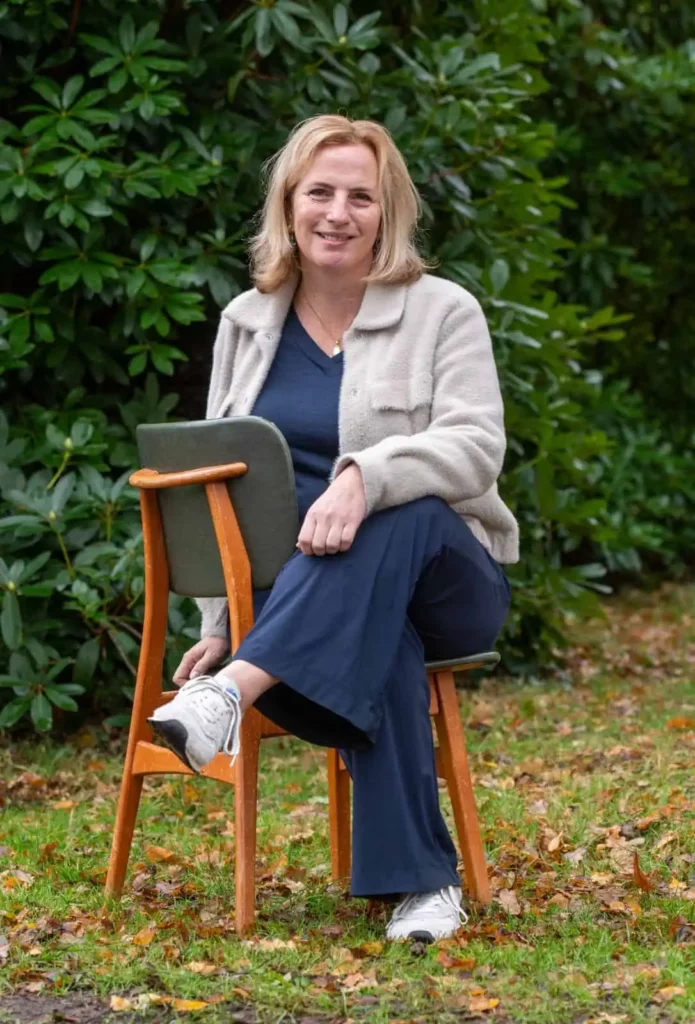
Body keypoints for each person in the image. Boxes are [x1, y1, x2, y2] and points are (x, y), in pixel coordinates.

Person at [149, 114, 518, 942]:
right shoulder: (247, 322)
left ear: (388, 214)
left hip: (449, 581)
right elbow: (218, 480)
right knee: (378, 636)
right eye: (319, 192)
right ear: (288, 204)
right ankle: (423, 887)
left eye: (361, 197)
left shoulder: (442, 311)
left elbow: (475, 447)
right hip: (316, 605)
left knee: (402, 508)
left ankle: (230, 694)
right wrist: (220, 623)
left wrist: (364, 478)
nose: (338, 213)